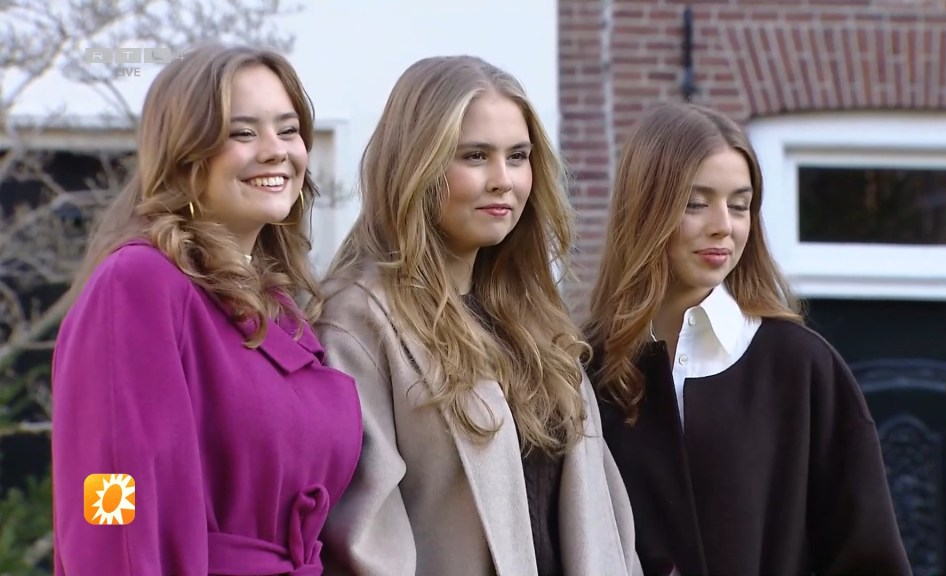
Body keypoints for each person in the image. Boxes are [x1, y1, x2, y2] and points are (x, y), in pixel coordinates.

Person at [311, 55, 640, 576]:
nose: (503, 180)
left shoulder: (535, 317)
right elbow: (366, 540)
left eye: (518, 156)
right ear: (416, 165)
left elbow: (606, 518)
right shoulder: (359, 320)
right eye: (475, 156)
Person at [50, 43, 362, 575]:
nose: (275, 151)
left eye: (288, 130)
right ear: (185, 155)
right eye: (243, 133)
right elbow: (108, 489)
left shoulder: (279, 306)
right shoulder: (139, 282)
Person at [582, 102, 912, 576]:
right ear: (645, 209)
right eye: (696, 203)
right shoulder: (584, 369)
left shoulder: (801, 367)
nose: (724, 225)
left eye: (739, 205)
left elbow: (870, 557)